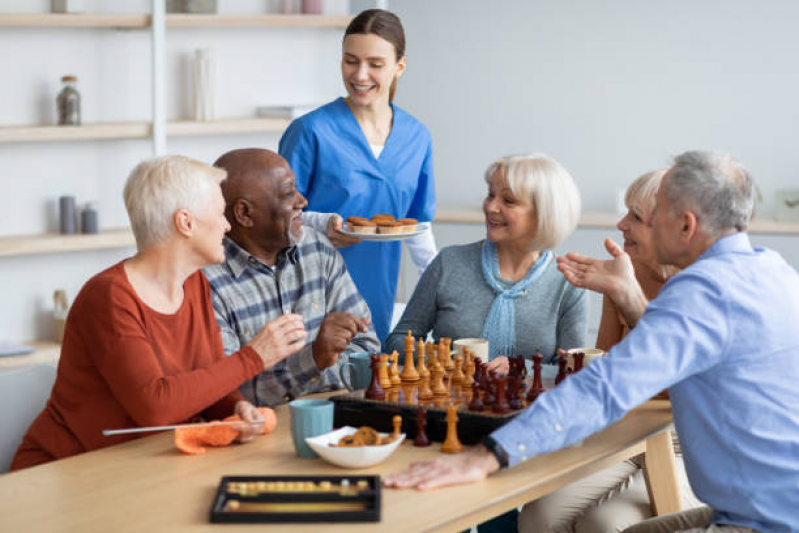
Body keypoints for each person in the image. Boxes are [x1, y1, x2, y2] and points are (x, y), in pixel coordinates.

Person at [384, 150, 799, 533]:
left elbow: (605, 386)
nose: (627, 225)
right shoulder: (775, 272)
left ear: (686, 225)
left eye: (654, 215)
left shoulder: (702, 293)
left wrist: (487, 455)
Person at [10, 156, 308, 471]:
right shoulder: (109, 297)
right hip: (63, 470)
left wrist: (237, 408)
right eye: (220, 213)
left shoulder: (195, 284)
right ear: (185, 223)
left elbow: (206, 377)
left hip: (138, 466)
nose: (227, 225)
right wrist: (253, 358)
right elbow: (156, 406)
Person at [518, 170, 700, 533]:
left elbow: (682, 389)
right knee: (538, 515)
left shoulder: (701, 285)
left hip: (690, 449)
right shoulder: (624, 272)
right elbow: (604, 363)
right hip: (627, 435)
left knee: (603, 525)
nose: (620, 223)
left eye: (635, 217)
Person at [279, 8, 437, 344]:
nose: (360, 74)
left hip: (377, 292)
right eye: (351, 61)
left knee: (368, 382)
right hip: (312, 293)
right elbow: (276, 217)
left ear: (399, 67)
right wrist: (322, 225)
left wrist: (439, 294)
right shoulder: (309, 131)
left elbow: (417, 226)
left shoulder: (416, 136)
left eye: (375, 64)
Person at [203, 148, 381, 407]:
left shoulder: (317, 250)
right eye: (288, 193)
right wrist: (315, 358)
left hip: (337, 414)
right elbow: (228, 394)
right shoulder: (207, 282)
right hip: (261, 431)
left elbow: (366, 350)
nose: (303, 202)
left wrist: (313, 369)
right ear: (244, 214)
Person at [385, 154, 587, 372]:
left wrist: (521, 368)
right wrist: (438, 359)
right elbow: (397, 342)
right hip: (447, 401)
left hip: (531, 406)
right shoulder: (449, 262)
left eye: (508, 201)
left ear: (544, 214)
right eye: (490, 195)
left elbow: (573, 370)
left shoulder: (568, 283)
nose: (491, 207)